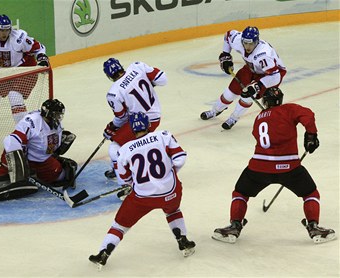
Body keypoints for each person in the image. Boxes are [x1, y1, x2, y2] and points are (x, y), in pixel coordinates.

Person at [212, 87, 335, 244]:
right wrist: (311, 136)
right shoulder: (289, 109)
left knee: (240, 193)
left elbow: (258, 135)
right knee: (310, 193)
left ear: (265, 101)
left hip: (259, 167)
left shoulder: (259, 118)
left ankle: (235, 226)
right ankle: (313, 227)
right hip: (289, 167)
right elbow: (308, 115)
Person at [89, 112, 195, 270]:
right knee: (172, 210)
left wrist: (136, 182)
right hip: (170, 192)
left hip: (142, 197)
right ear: (148, 124)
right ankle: (183, 241)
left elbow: (124, 179)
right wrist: (169, 174)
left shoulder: (124, 150)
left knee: (120, 225)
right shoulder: (163, 135)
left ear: (132, 128)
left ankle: (104, 253)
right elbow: (180, 158)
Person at [0, 99, 78, 206]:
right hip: (18, 157)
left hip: (40, 161)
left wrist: (62, 142)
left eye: (59, 115)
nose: (59, 118)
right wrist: (18, 164)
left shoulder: (55, 124)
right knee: (11, 185)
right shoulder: (31, 122)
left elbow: (50, 144)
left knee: (65, 174)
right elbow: (11, 141)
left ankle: (33, 176)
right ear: (48, 113)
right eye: (56, 115)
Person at [0, 14, 50, 135]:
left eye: (7, 29)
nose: (5, 33)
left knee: (14, 96)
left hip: (23, 71)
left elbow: (39, 47)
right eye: (2, 30)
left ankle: (25, 133)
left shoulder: (19, 37)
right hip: (3, 73)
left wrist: (42, 58)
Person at [200, 26, 287, 130]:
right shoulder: (238, 40)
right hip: (251, 68)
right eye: (245, 43)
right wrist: (225, 54)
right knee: (230, 93)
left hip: (269, 75)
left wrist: (257, 86)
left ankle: (234, 118)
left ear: (257, 41)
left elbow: (275, 76)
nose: (248, 46)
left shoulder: (263, 54)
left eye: (251, 44)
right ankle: (215, 111)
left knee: (247, 96)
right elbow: (228, 35)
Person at [101, 58, 167, 182]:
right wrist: (150, 83)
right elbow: (163, 79)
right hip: (155, 116)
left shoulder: (113, 93)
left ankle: (125, 184)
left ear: (108, 75)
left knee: (114, 148)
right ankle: (117, 168)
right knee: (121, 140)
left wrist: (112, 127)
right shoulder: (137, 67)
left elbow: (122, 118)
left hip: (141, 123)